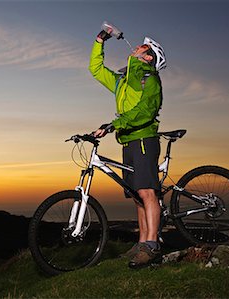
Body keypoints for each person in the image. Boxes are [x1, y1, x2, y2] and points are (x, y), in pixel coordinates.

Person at [89, 27, 166, 269]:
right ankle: (142, 242)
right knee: (137, 195)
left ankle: (151, 245)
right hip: (128, 140)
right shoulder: (123, 81)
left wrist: (113, 124)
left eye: (143, 47)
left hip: (143, 138)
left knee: (147, 192)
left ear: (149, 57)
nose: (136, 47)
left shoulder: (149, 79)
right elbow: (96, 69)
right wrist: (100, 40)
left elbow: (144, 112)